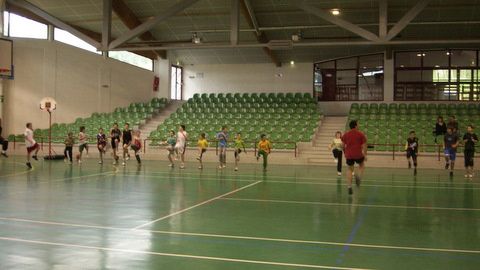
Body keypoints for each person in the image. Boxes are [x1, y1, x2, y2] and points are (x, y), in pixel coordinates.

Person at [341, 120, 367, 195]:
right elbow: (365, 146)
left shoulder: (346, 134)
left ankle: (349, 186)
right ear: (355, 126)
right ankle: (358, 176)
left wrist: (345, 152)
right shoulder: (360, 134)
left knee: (349, 169)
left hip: (349, 154)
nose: (359, 125)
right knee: (362, 165)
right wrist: (365, 155)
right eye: (358, 124)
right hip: (358, 154)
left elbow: (342, 145)